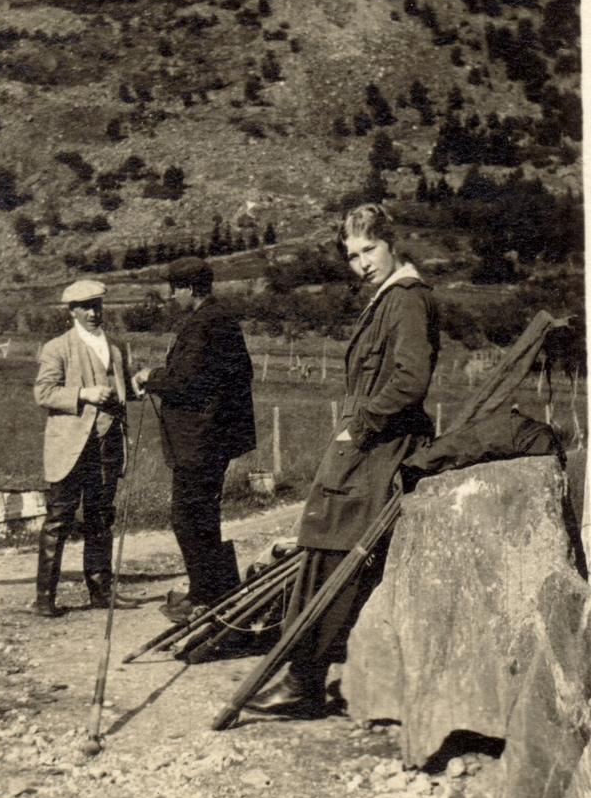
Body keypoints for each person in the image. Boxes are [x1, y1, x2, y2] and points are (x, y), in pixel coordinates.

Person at [249, 203, 440, 717]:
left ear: (392, 243)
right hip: (366, 445)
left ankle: (304, 680)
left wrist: (360, 424)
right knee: (324, 546)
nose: (361, 263)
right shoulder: (385, 300)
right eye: (353, 255)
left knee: (336, 552)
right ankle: (309, 673)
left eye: (369, 250)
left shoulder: (406, 300)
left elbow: (410, 381)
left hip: (382, 447)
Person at [134, 257, 256, 621]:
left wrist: (148, 376)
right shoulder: (223, 320)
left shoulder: (202, 324)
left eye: (175, 289)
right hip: (214, 439)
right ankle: (215, 590)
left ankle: (205, 594)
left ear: (189, 289)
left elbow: (184, 381)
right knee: (202, 514)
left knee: (187, 517)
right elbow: (239, 373)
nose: (172, 296)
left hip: (197, 441)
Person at [34, 279, 141, 618]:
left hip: (108, 443)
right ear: (72, 311)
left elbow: (125, 389)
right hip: (70, 447)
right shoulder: (57, 348)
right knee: (59, 519)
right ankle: (44, 599)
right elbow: (44, 393)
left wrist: (142, 383)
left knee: (100, 517)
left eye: (98, 305)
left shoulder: (115, 346)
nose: (94, 312)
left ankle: (100, 591)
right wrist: (83, 393)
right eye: (86, 307)